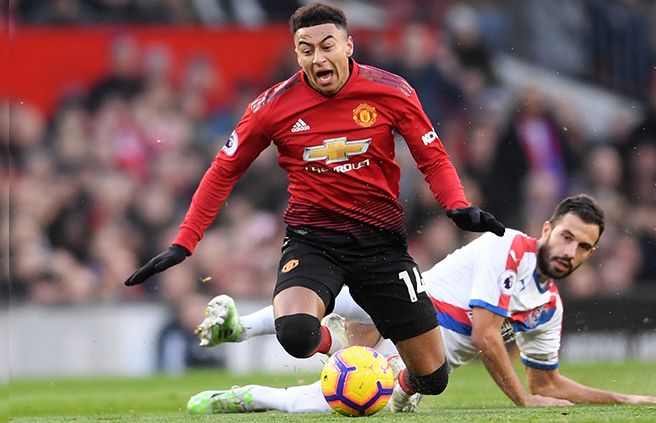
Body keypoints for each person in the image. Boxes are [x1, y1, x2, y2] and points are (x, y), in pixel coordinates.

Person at [124, 1, 505, 403]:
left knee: (433, 379)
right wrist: (185, 241)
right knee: (295, 333)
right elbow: (223, 170)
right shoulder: (272, 106)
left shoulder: (392, 91)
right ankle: (337, 343)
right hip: (313, 240)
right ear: (297, 55)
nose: (318, 58)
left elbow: (433, 156)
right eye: (307, 50)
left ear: (349, 46)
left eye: (327, 46)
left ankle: (395, 386)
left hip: (381, 246)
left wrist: (455, 204)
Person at [186, 195, 656, 414]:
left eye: (583, 247)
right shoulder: (509, 246)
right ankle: (240, 328)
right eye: (566, 237)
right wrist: (522, 401)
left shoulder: (549, 308)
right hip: (407, 308)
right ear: (547, 230)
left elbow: (545, 381)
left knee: (335, 398)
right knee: (344, 302)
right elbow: (486, 335)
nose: (570, 252)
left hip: (413, 359)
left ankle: (249, 396)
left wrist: (620, 398)